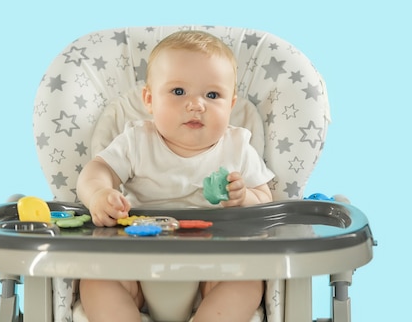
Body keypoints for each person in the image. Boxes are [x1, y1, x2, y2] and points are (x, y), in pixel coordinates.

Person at [77, 30, 275, 322]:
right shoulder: (136, 140)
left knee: (247, 281)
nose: (196, 105)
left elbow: (266, 201)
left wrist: (245, 197)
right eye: (178, 91)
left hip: (215, 265)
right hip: (135, 262)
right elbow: (96, 170)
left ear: (230, 105)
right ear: (149, 99)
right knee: (94, 280)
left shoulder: (238, 148)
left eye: (212, 94)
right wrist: (98, 194)